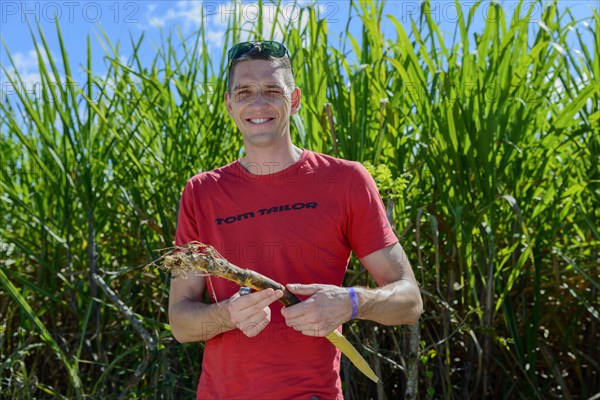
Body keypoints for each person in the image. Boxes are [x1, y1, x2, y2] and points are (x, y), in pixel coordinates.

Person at [168, 40, 423, 400]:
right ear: (229, 104)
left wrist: (350, 302)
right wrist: (229, 314)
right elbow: (180, 322)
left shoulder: (346, 181)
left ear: (296, 99)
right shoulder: (201, 192)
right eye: (244, 92)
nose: (258, 103)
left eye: (272, 90)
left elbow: (410, 300)